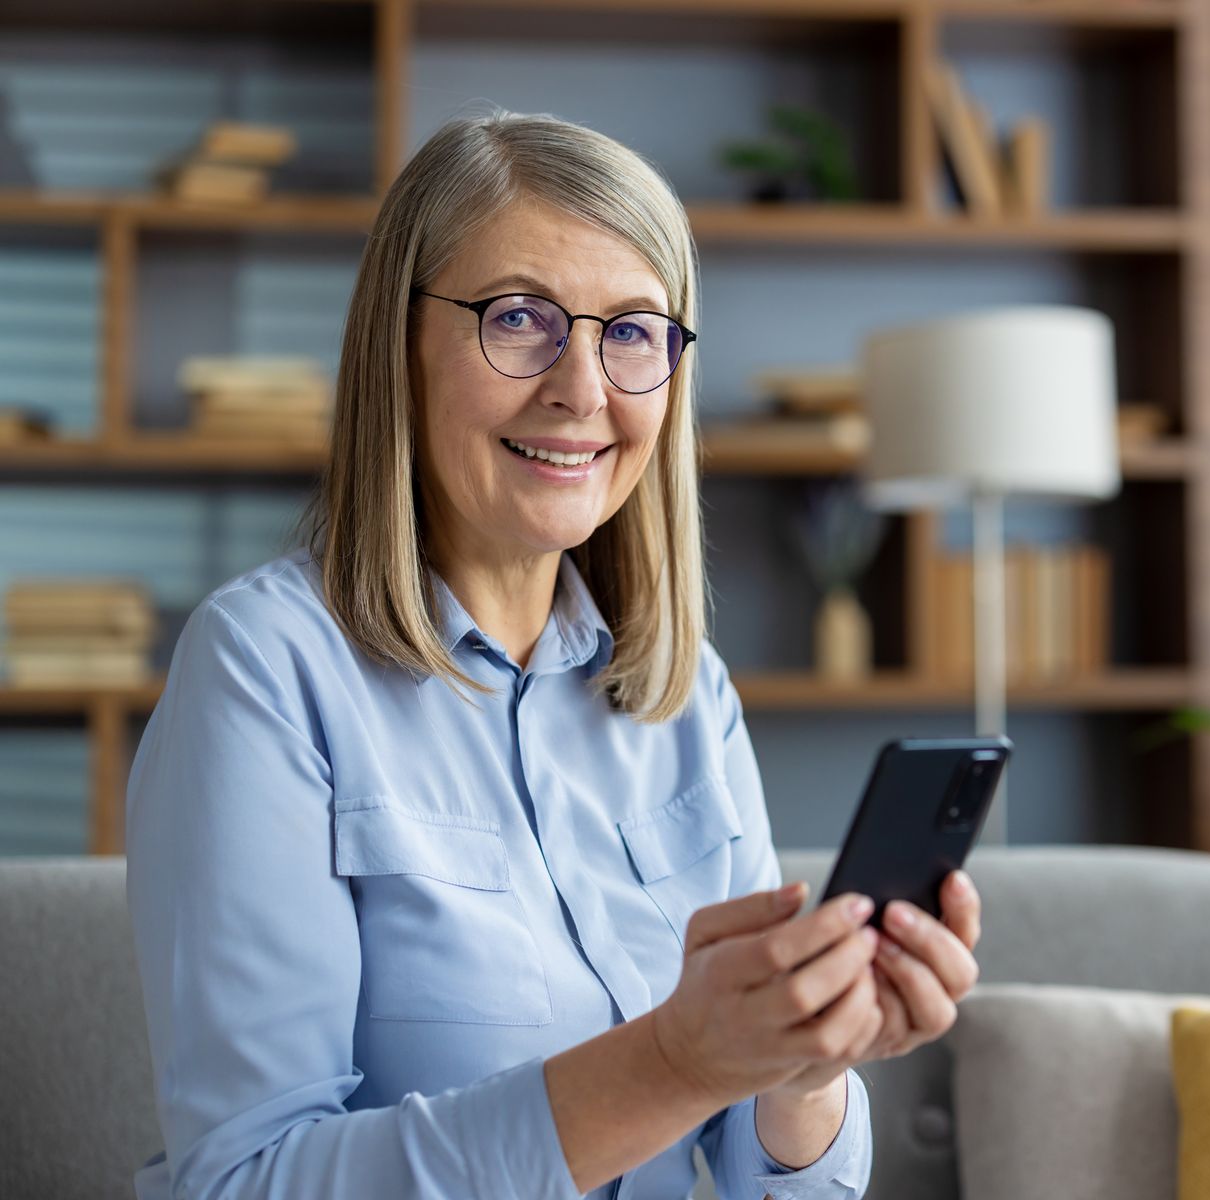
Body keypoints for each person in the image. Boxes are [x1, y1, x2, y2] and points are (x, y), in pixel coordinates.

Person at [124, 109, 983, 1200]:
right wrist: (676, 1061)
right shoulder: (263, 670)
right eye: (519, 317)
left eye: (631, 331)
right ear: (400, 342)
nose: (582, 389)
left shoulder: (687, 696)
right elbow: (248, 1183)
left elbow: (793, 1188)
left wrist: (803, 1067)